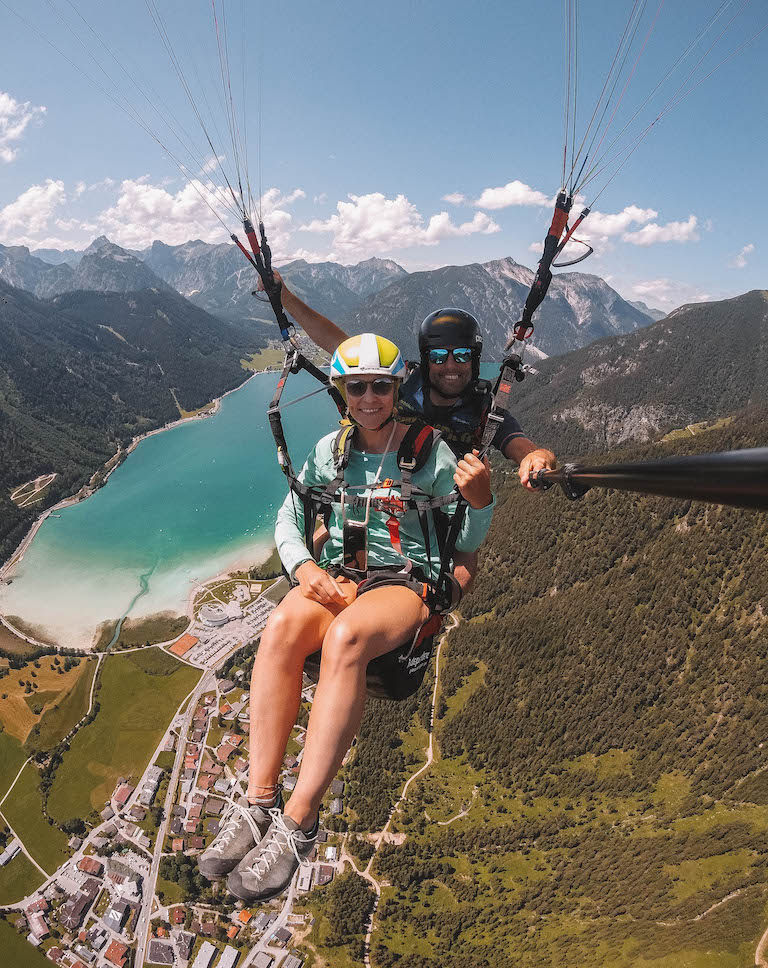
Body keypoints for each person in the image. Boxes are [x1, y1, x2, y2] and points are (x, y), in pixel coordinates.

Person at [198, 333, 495, 902]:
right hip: (341, 573)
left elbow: (464, 539)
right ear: (341, 391)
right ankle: (260, 801)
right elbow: (290, 515)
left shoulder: (430, 453)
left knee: (348, 636)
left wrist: (481, 500)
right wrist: (303, 567)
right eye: (356, 387)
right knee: (282, 626)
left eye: (380, 386)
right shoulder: (329, 454)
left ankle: (299, 820)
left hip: (407, 580)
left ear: (395, 389)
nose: (369, 398)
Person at [258, 276, 557, 591]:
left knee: (459, 578)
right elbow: (342, 346)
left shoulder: (484, 411)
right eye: (439, 356)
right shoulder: (397, 386)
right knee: (325, 534)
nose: (450, 365)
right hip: (379, 495)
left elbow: (524, 447)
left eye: (462, 355)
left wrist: (538, 459)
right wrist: (286, 297)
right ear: (427, 360)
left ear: (475, 358)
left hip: (442, 511)